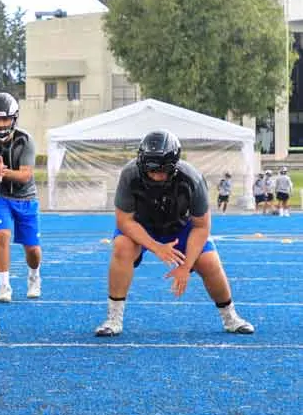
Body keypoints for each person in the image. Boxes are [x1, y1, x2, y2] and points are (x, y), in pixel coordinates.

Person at [95, 130, 254, 337]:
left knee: (209, 262)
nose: (156, 176)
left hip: (180, 227)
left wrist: (186, 267)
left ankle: (230, 317)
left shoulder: (192, 178)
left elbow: (201, 226)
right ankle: (113, 318)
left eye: (163, 170)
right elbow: (124, 221)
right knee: (121, 247)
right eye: (152, 169)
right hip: (142, 225)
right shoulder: (130, 174)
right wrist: (156, 247)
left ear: (175, 165)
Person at [0, 92, 41, 302]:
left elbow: (25, 175)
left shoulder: (26, 140)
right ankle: (4, 286)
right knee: (2, 234)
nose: (1, 124)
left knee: (32, 249)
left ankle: (34, 276)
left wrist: (2, 171)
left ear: (14, 119)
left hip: (25, 197)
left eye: (5, 119)